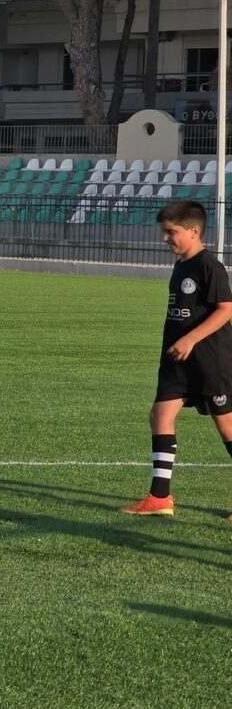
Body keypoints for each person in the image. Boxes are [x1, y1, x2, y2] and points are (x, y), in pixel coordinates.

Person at [121, 199, 232, 517]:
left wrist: (190, 339)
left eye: (172, 232)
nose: (165, 238)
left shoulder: (209, 266)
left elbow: (226, 310)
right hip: (177, 359)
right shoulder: (181, 265)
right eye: (164, 232)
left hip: (209, 360)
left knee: (227, 427)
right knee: (160, 415)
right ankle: (159, 497)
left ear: (194, 231)